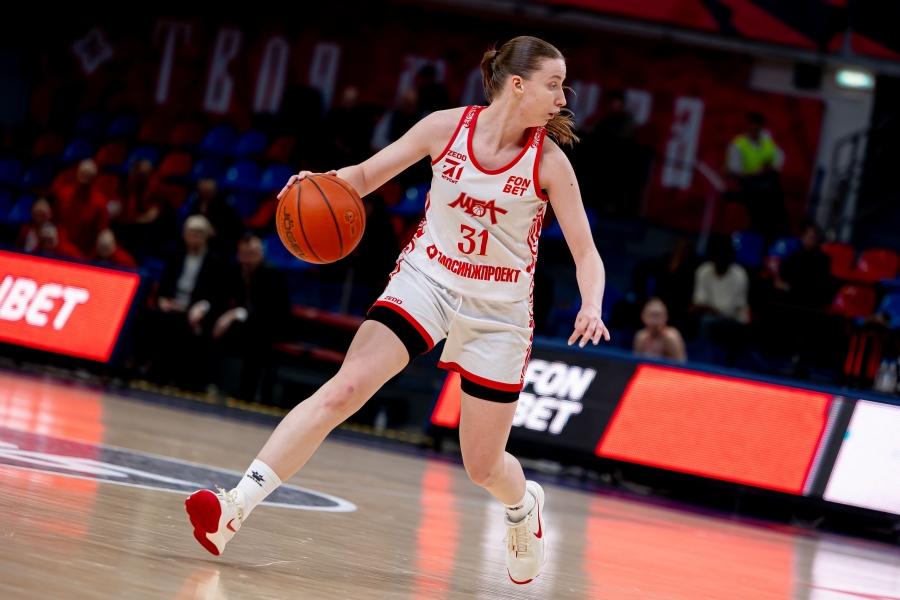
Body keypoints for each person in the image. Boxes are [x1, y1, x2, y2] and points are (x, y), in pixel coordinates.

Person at [185, 36, 609, 586]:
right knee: (342, 390)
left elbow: (586, 253)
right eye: (553, 84)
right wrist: (319, 183)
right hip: (427, 280)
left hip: (499, 310)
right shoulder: (444, 128)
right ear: (517, 84)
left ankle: (523, 505)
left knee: (482, 466)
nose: (563, 98)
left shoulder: (549, 162)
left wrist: (591, 303)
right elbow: (364, 177)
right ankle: (234, 508)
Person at [143, 215, 228, 388]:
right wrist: (163, 300)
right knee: (153, 314)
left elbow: (217, 296)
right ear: (184, 235)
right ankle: (149, 368)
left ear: (206, 237)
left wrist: (201, 306)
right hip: (173, 304)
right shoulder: (175, 256)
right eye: (191, 233)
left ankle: (181, 377)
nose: (194, 237)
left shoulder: (215, 261)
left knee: (183, 321)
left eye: (199, 234)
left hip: (196, 307)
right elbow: (163, 287)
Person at [212, 233, 290, 402]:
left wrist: (236, 313)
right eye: (246, 254)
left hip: (268, 327)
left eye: (254, 253)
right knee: (207, 324)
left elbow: (271, 310)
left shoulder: (272, 273)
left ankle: (247, 393)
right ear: (239, 254)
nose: (250, 258)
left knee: (257, 337)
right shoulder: (234, 270)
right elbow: (221, 297)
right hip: (241, 325)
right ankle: (200, 382)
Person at [726, 112, 790, 245]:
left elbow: (779, 162)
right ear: (748, 127)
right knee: (763, 207)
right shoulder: (738, 145)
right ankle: (756, 237)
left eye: (758, 127)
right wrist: (756, 173)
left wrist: (769, 169)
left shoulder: (768, 142)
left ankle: (778, 239)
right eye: (752, 126)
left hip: (768, 186)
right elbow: (734, 172)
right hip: (747, 187)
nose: (755, 130)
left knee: (777, 202)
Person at [53, 159, 110, 255]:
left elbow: (101, 232)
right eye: (83, 173)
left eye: (89, 175)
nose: (85, 177)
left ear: (95, 177)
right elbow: (54, 221)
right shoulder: (63, 194)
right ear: (77, 173)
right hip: (60, 249)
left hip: (84, 255)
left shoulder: (100, 202)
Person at [774, 223, 835, 309]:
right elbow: (782, 279)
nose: (810, 240)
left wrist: (791, 288)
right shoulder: (793, 257)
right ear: (802, 237)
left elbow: (817, 285)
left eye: (813, 238)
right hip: (790, 298)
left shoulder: (823, 260)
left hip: (810, 299)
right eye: (808, 237)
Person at [184, 178, 243, 259]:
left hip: (218, 246)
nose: (204, 194)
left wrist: (212, 231)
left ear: (214, 191)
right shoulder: (195, 205)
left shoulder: (225, 208)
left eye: (207, 192)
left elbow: (230, 231)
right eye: (202, 191)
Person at [633, 298, 687, 362]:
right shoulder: (641, 337)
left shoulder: (671, 337)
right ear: (643, 316)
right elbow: (635, 363)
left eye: (657, 315)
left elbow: (680, 365)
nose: (654, 319)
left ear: (666, 316)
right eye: (651, 315)